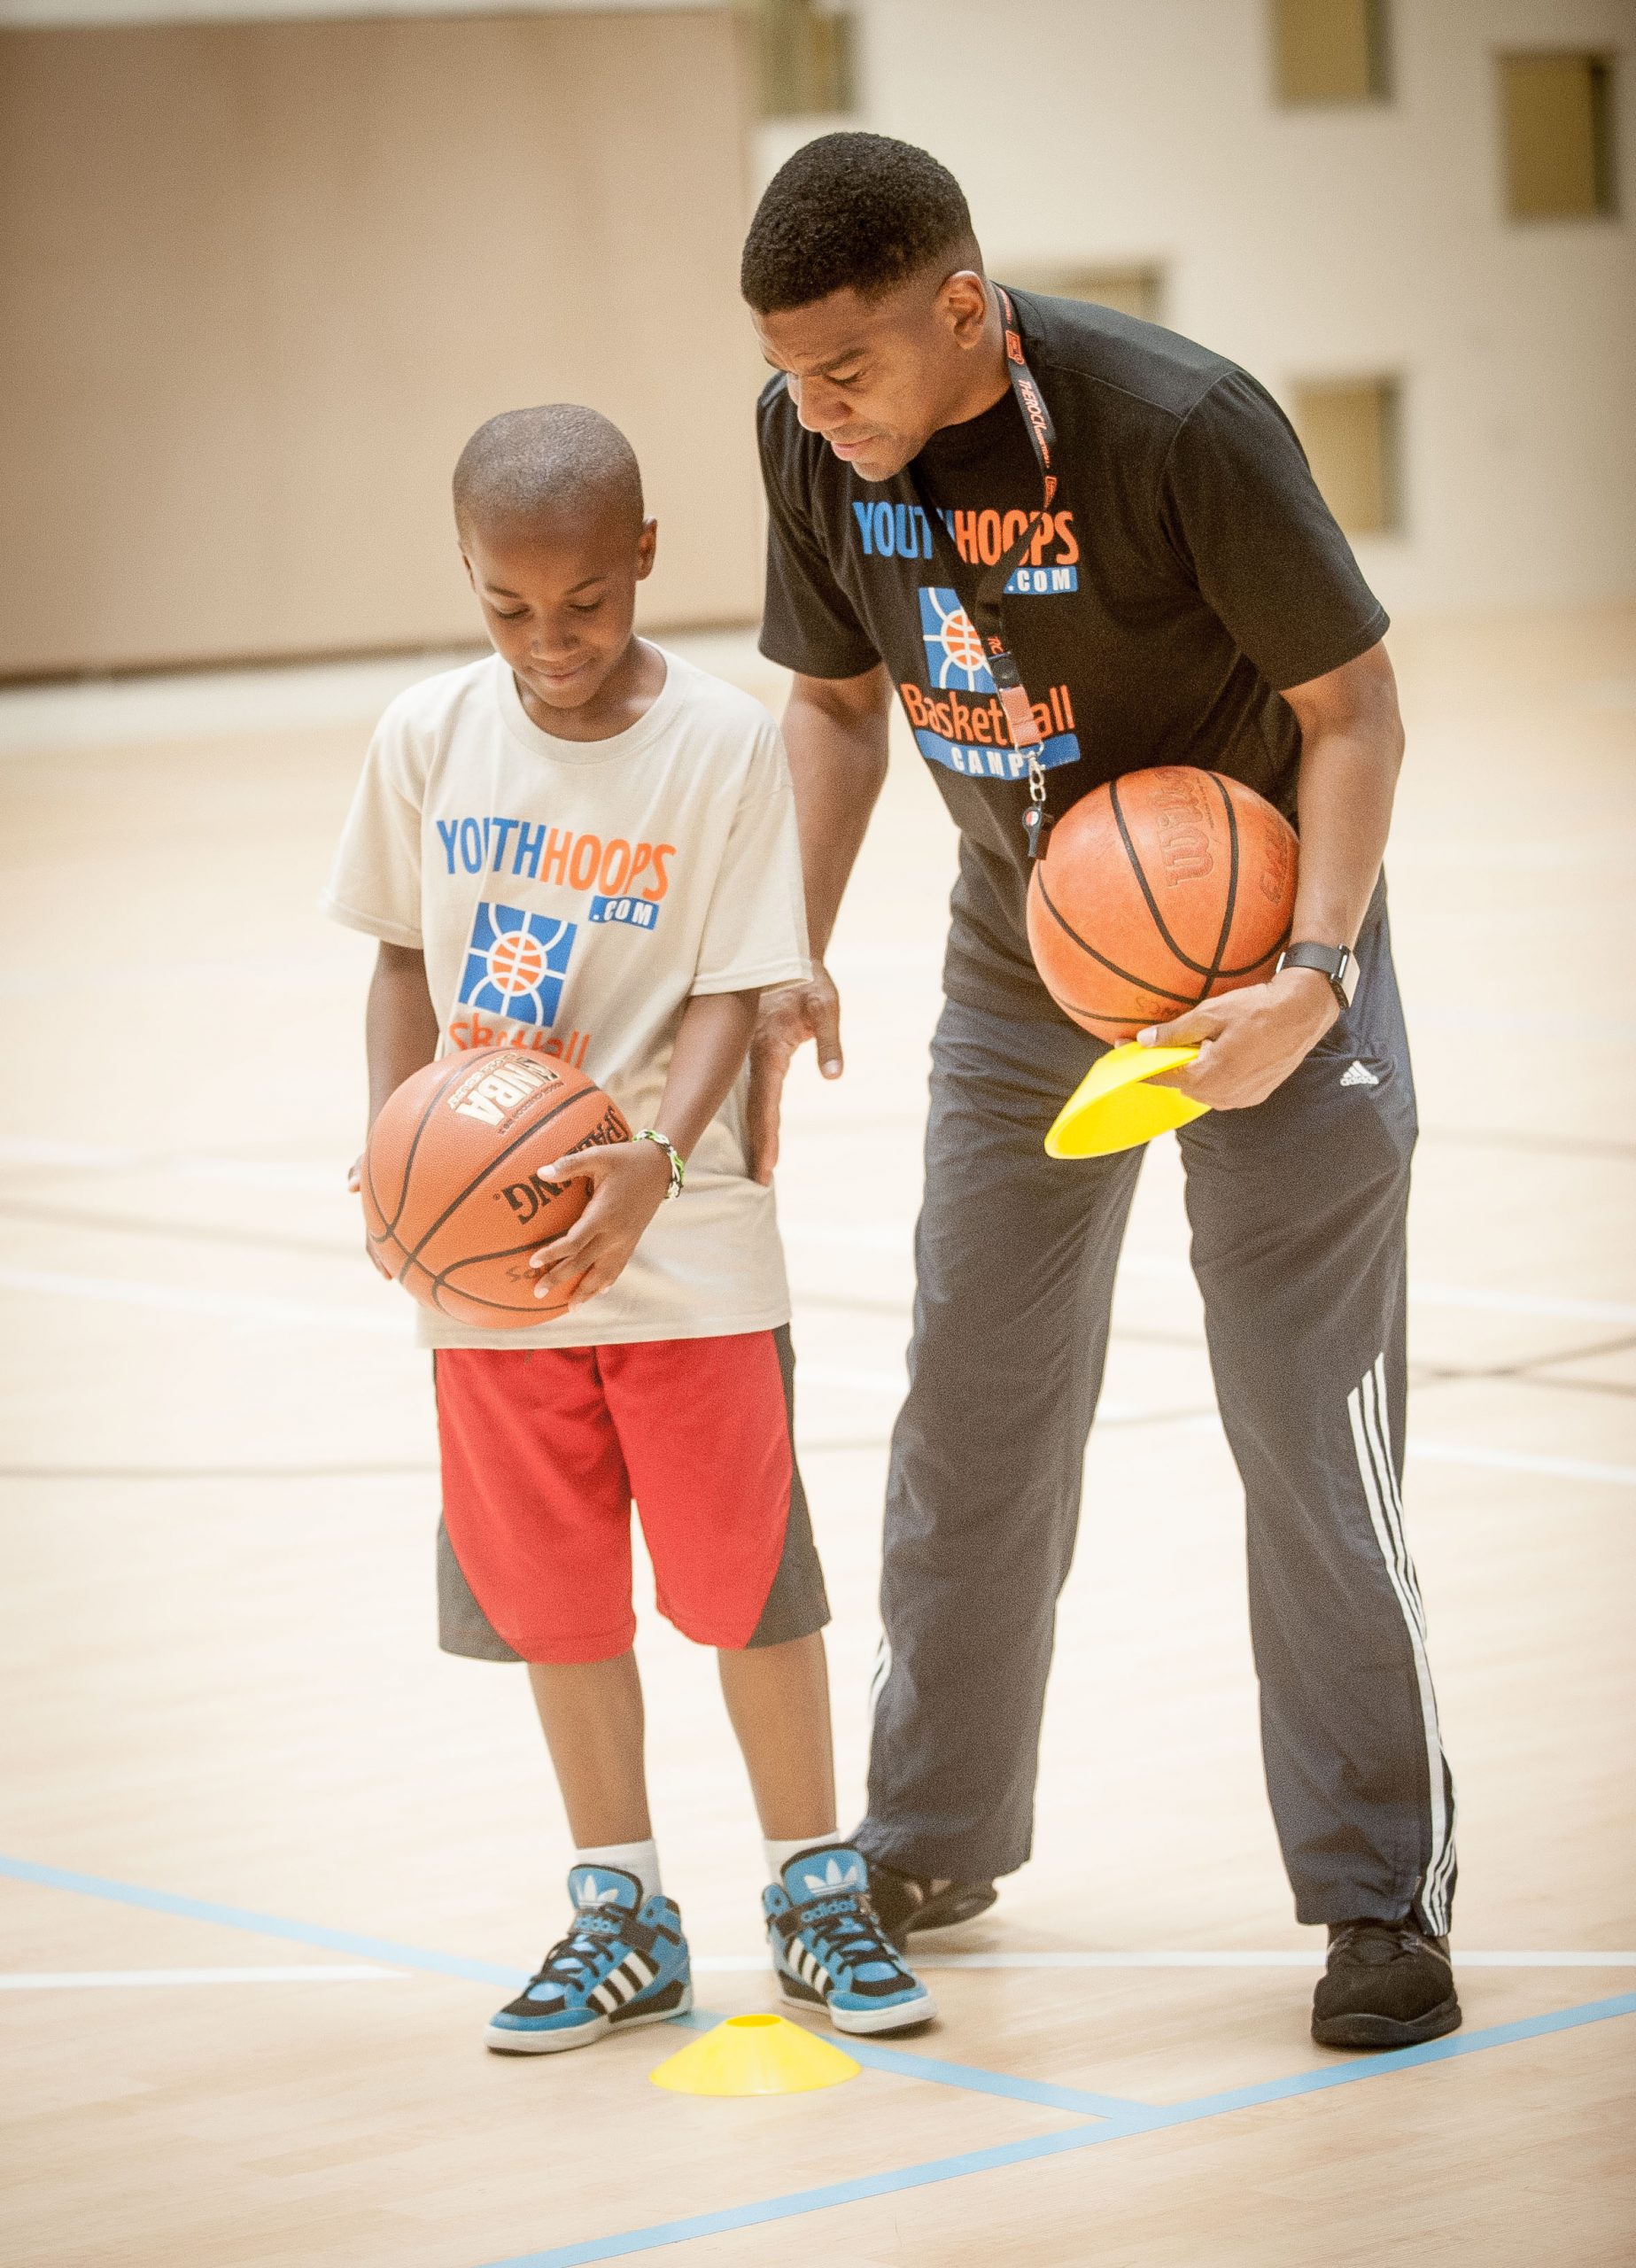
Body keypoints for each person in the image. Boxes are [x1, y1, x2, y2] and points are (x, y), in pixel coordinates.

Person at [740, 134, 1460, 2052]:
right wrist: (792, 938)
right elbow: (827, 706)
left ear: (964, 309)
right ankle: (936, 1827)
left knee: (1306, 1422)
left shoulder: (1179, 425)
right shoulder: (807, 442)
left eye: (850, 367)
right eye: (791, 370)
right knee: (973, 1390)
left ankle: (1380, 1886)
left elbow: (1356, 710)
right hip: (1025, 945)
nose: (816, 407)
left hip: (1264, 928)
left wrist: (1314, 974)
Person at [322, 402, 932, 2052]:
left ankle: (814, 1886)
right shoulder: (426, 738)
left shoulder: (724, 743)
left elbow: (745, 976)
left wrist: (664, 1150)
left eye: (585, 602)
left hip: (691, 1247)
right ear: (465, 575)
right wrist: (396, 1164)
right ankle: (621, 1907)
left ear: (647, 557)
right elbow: (397, 958)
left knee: (750, 1587)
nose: (552, 642)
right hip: (492, 1269)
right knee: (557, 1599)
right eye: (510, 608)